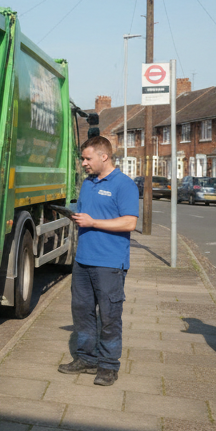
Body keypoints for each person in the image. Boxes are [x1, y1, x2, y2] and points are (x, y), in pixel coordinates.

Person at [58, 135, 139, 386]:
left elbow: (130, 222)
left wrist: (93, 222)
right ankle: (86, 358)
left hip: (109, 262)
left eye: (87, 158)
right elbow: (86, 214)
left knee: (109, 314)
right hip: (83, 260)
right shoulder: (87, 184)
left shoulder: (124, 185)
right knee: (82, 311)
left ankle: (108, 366)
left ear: (104, 156)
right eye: (83, 159)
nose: (83, 163)